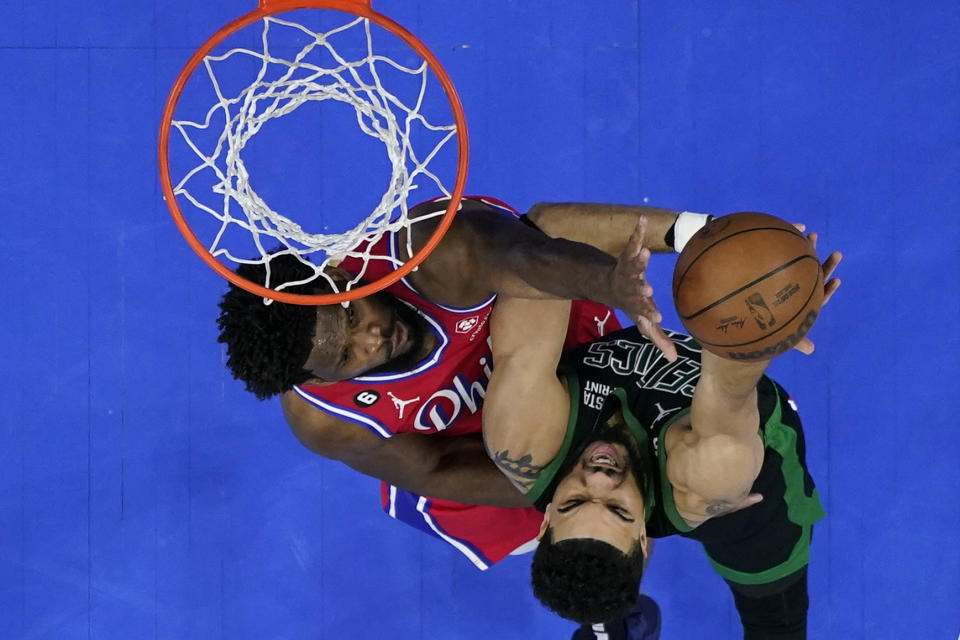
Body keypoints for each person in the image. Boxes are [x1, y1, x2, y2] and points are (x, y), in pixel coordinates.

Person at [216, 196, 704, 567]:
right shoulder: (324, 418)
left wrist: (610, 282)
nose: (372, 335)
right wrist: (562, 492)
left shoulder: (428, 250)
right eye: (345, 355)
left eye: (349, 312)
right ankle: (609, 616)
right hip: (476, 454)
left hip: (557, 341)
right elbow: (438, 467)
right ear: (316, 380)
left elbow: (525, 254)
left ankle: (706, 235)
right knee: (599, 535)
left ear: (335, 275)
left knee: (637, 488)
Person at [482, 218, 841, 636]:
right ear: (643, 535)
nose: (599, 477)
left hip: (676, 467)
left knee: (594, 575)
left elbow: (546, 231)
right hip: (751, 494)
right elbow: (728, 383)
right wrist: (766, 316)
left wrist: (693, 230)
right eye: (617, 509)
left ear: (544, 521)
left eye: (574, 502)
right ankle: (606, 611)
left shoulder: (522, 436)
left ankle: (605, 625)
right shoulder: (711, 474)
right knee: (777, 627)